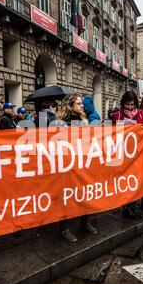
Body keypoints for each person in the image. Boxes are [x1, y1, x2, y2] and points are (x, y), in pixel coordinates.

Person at [56, 94, 97, 243]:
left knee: (85, 193)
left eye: (81, 103)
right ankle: (65, 228)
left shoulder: (84, 121)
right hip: (68, 165)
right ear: (70, 105)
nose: (82, 106)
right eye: (78, 103)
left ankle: (85, 222)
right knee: (68, 196)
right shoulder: (60, 123)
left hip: (83, 163)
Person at [112, 91, 143, 219]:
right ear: (123, 103)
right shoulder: (117, 115)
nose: (130, 108)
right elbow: (111, 132)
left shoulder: (140, 114)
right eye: (127, 105)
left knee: (135, 180)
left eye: (132, 105)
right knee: (125, 180)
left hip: (137, 151)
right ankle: (126, 207)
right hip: (122, 151)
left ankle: (133, 206)